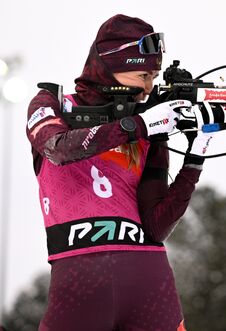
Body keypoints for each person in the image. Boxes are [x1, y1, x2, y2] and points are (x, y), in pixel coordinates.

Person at [26, 14, 205, 331]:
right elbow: (57, 147)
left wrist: (196, 157)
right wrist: (139, 124)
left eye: (155, 76)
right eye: (143, 75)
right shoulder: (53, 103)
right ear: (113, 66)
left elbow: (155, 227)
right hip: (82, 270)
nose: (149, 89)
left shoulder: (149, 127)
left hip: (149, 277)